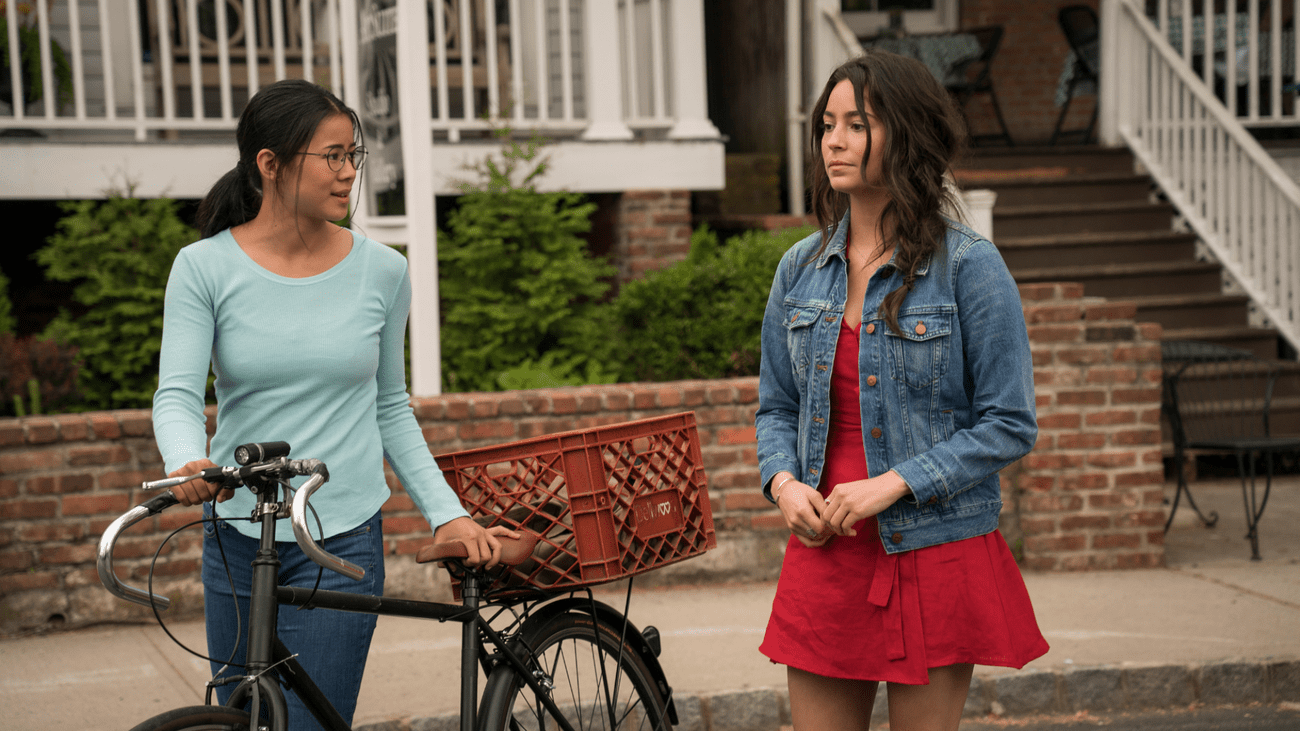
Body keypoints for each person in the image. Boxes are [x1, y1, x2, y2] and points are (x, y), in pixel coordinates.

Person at [152, 79, 510, 730]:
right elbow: (177, 393)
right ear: (271, 163)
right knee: (245, 718)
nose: (349, 173)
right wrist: (185, 460)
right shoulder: (203, 268)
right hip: (236, 535)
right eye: (333, 156)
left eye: (354, 155)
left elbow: (389, 406)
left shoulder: (382, 270)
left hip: (342, 541)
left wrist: (446, 515)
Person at [755, 52, 1049, 730]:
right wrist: (783, 483)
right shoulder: (798, 269)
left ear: (907, 135)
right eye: (827, 124)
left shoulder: (970, 268)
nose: (834, 140)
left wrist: (893, 483)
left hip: (934, 549)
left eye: (857, 124)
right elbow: (777, 405)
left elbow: (1010, 421)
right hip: (826, 552)